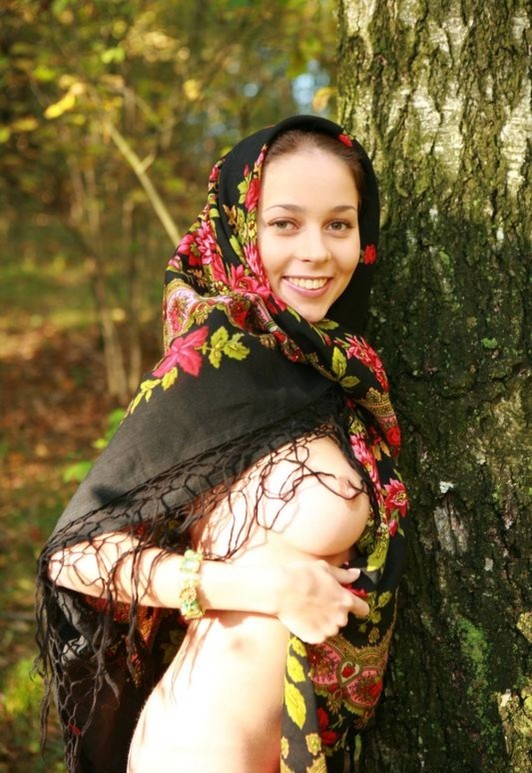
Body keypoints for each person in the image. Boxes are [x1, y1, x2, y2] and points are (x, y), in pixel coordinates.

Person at [36, 115, 408, 773]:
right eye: (285, 223)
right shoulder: (219, 359)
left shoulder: (329, 367)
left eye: (338, 224)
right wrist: (264, 587)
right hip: (201, 748)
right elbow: (75, 554)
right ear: (240, 229)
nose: (317, 251)